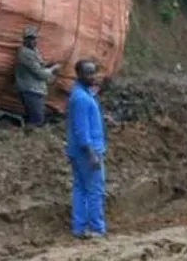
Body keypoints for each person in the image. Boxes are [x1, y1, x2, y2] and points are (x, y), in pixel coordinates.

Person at [66, 59, 107, 239]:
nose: (93, 76)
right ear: (79, 74)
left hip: (77, 150)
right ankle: (96, 228)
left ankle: (79, 227)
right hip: (87, 152)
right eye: (88, 73)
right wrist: (91, 154)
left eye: (93, 72)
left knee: (80, 188)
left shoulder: (81, 94)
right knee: (94, 190)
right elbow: (82, 130)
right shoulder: (82, 99)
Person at [14, 26, 59, 127]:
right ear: (24, 40)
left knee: (37, 118)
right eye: (30, 39)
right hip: (30, 90)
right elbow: (40, 73)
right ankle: (27, 139)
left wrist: (49, 65)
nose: (33, 41)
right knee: (36, 120)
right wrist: (53, 69)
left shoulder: (34, 51)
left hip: (36, 90)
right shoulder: (25, 53)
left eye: (34, 38)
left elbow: (40, 66)